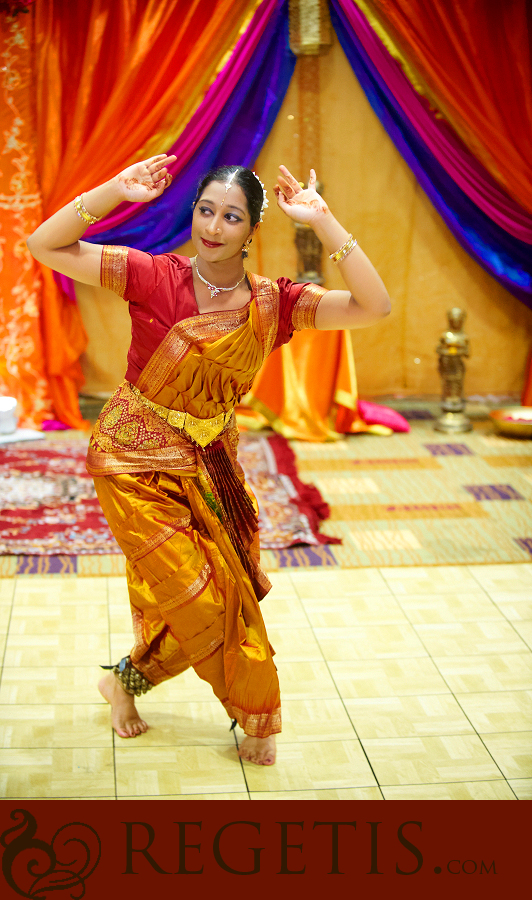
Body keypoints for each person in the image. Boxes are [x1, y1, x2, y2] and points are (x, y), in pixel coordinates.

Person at [27, 154, 391, 766]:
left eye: (231, 216)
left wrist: (323, 221)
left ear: (253, 231)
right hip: (130, 459)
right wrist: (115, 191)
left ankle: (124, 681)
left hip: (208, 463)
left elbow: (372, 307)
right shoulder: (152, 275)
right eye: (205, 211)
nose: (214, 227)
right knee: (202, 602)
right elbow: (45, 245)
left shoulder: (271, 305)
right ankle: (252, 712)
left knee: (217, 595)